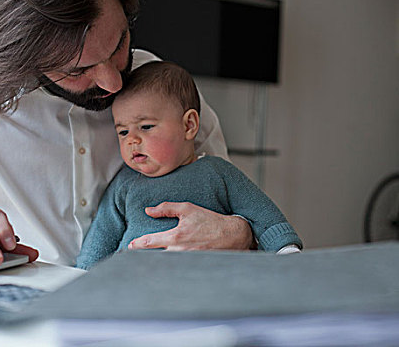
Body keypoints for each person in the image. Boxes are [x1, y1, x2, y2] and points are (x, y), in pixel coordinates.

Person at [0, 0, 253, 267]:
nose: (112, 81)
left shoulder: (162, 86)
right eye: (77, 70)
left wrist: (240, 233)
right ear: (24, 58)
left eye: (119, 43)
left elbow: (227, 194)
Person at [76, 61, 302, 269]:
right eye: (123, 132)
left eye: (145, 127)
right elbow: (102, 237)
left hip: (205, 280)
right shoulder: (124, 184)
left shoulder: (217, 172)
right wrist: (82, 277)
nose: (131, 140)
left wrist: (286, 250)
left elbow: (264, 214)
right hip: (136, 281)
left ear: (189, 125)